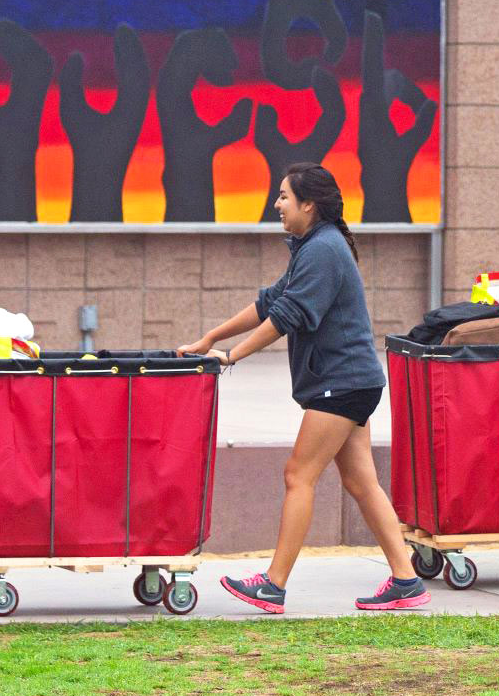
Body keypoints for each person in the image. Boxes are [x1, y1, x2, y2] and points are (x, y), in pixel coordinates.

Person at [179, 164, 426, 614]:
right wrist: (210, 339)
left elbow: (286, 318)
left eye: (284, 197)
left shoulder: (324, 250)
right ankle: (406, 580)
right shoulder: (314, 247)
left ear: (308, 204)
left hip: (342, 383)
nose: (277, 205)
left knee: (298, 475)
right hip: (350, 381)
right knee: (360, 481)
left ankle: (273, 584)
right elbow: (269, 302)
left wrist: (233, 357)